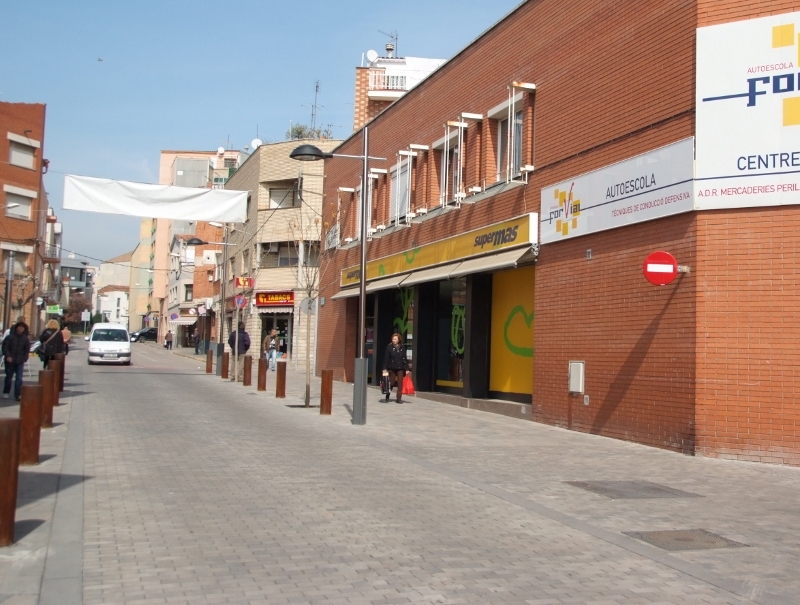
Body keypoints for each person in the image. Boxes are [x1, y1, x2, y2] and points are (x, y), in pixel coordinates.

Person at [3, 319, 30, 400]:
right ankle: (6, 391)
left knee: (19, 379)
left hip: (20, 360)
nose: (21, 329)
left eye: (23, 327)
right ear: (16, 328)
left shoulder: (25, 339)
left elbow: (26, 349)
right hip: (10, 360)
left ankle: (18, 394)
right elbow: (5, 347)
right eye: (20, 327)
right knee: (9, 377)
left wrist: (25, 357)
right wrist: (8, 356)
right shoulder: (10, 337)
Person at [382, 332, 409, 404]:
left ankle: (399, 398)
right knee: (391, 382)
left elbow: (404, 358)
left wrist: (407, 368)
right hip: (392, 367)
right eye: (393, 339)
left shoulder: (402, 347)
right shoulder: (389, 347)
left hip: (400, 367)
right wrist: (384, 368)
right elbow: (386, 358)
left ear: (398, 340)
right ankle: (388, 394)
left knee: (400, 383)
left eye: (395, 339)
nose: (394, 340)